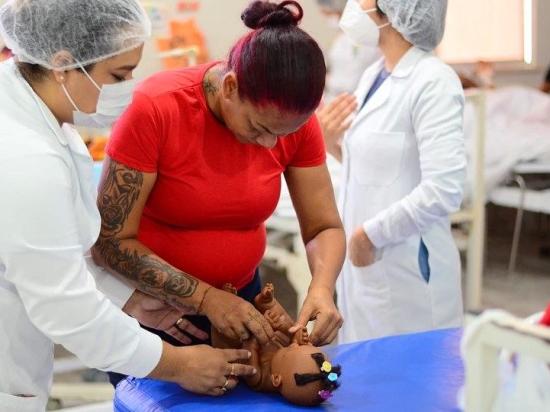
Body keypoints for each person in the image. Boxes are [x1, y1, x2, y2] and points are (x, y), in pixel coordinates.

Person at [0, 1, 256, 409]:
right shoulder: (26, 156)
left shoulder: (37, 115)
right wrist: (176, 364)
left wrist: (126, 299)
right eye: (119, 74)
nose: (129, 87)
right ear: (63, 63)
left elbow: (46, 252)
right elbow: (65, 308)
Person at [92, 0, 346, 386]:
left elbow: (323, 226)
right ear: (230, 87)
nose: (269, 145)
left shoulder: (293, 123)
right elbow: (109, 241)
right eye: (259, 127)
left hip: (243, 302)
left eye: (284, 134)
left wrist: (323, 288)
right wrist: (205, 299)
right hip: (156, 312)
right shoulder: (157, 109)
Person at [320, 0, 466, 343]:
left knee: (412, 384)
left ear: (394, 9)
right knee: (369, 376)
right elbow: (379, 169)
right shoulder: (374, 75)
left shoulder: (434, 81)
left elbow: (444, 188)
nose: (355, 5)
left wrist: (365, 238)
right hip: (366, 273)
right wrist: (332, 144)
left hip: (406, 271)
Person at [316, 0, 380, 102]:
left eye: (327, 13)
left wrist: (326, 80)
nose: (326, 17)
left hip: (349, 100)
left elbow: (352, 81)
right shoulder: (341, 38)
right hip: (334, 98)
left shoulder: (360, 38)